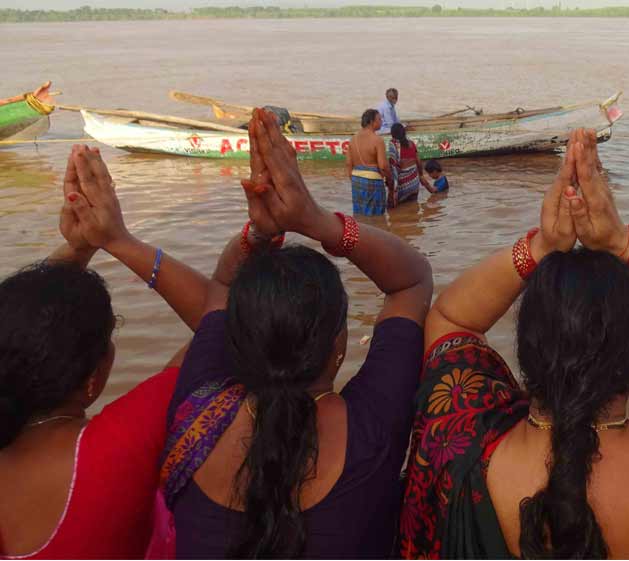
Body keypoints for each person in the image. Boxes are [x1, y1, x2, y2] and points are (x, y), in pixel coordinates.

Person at [399, 129, 629, 558]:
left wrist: (540, 246)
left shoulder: (455, 442)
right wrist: (624, 242)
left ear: (525, 348)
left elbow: (451, 316)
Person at [160, 108, 433, 558]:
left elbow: (222, 285)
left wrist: (260, 232)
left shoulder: (196, 407)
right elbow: (412, 280)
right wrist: (316, 220)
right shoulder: (371, 431)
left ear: (234, 343)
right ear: (339, 347)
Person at [0, 145, 212, 558]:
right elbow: (229, 322)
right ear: (95, 378)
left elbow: (11, 328)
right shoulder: (115, 445)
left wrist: (79, 247)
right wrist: (117, 240)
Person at [345, 109, 392, 216]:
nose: (381, 121)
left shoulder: (353, 139)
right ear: (372, 122)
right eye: (379, 119)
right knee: (376, 217)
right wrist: (390, 180)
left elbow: (348, 163)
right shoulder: (377, 140)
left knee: (360, 215)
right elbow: (383, 166)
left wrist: (353, 179)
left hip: (356, 180)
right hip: (373, 181)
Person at [388, 123, 432, 207]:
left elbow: (393, 166)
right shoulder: (411, 144)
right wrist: (421, 175)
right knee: (413, 207)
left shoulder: (393, 145)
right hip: (414, 182)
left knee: (394, 210)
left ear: (392, 134)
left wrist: (391, 187)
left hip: (402, 184)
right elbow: (418, 161)